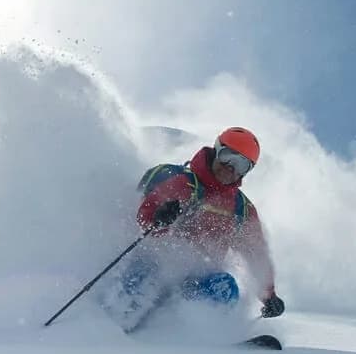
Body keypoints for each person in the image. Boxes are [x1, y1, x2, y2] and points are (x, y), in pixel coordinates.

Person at [104, 126, 284, 331]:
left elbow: (255, 253)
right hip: (153, 267)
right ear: (217, 150)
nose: (230, 168)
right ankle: (112, 330)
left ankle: (189, 338)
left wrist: (268, 296)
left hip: (192, 284)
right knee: (146, 272)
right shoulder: (184, 184)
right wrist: (160, 216)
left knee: (225, 287)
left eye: (241, 165)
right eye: (228, 157)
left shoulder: (241, 209)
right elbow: (145, 218)